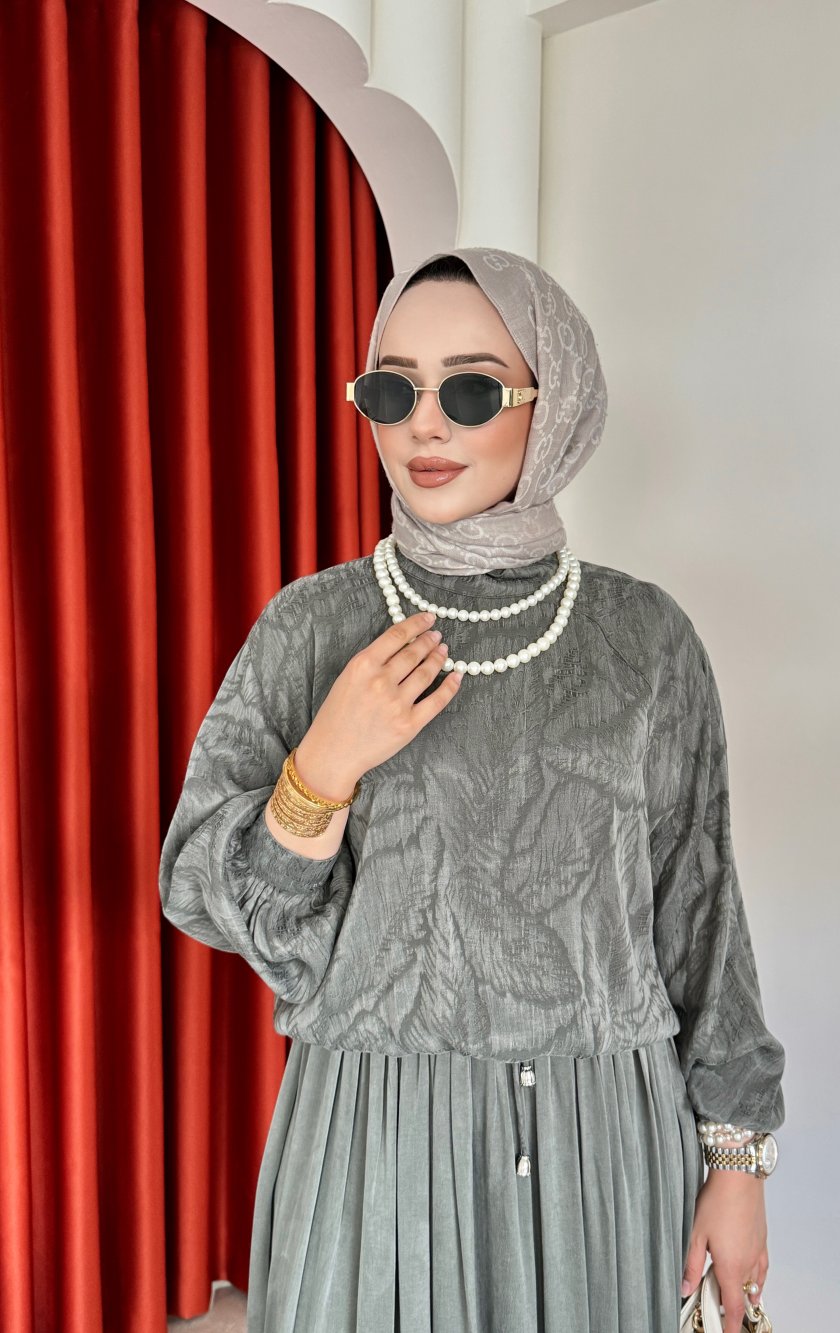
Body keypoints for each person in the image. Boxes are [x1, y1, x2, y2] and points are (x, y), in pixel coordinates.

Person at [159, 246, 786, 1332]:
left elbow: (699, 913)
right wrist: (324, 766)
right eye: (392, 390)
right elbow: (203, 893)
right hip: (374, 1131)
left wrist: (737, 1161)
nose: (423, 427)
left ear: (557, 402)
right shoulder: (312, 627)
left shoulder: (643, 639)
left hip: (599, 1138)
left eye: (470, 392)